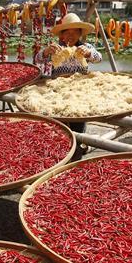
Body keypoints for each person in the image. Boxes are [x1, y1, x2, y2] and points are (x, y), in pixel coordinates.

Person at [36, 12, 103, 158]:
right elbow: (38, 60)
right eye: (68, 33)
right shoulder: (56, 48)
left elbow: (99, 58)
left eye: (75, 32)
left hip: (79, 91)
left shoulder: (85, 47)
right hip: (59, 91)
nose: (71, 36)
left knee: (78, 120)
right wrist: (46, 51)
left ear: (80, 33)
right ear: (62, 35)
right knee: (60, 122)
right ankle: (62, 149)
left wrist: (88, 53)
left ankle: (78, 147)